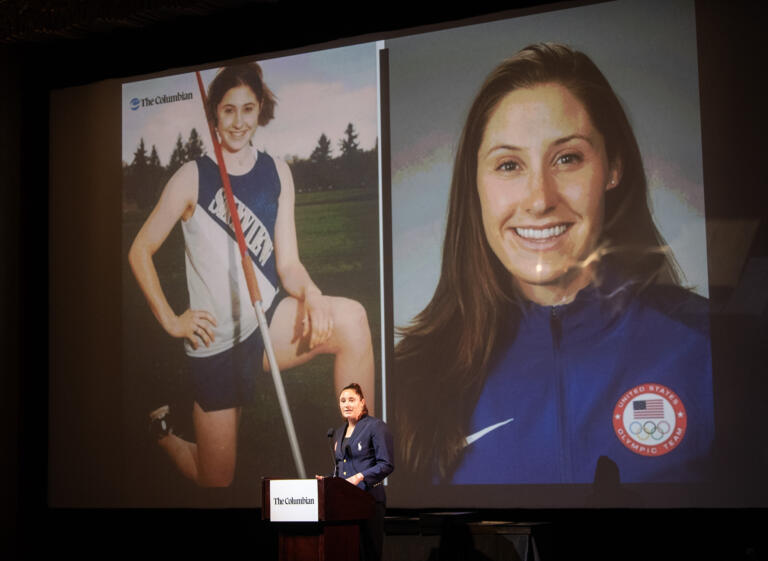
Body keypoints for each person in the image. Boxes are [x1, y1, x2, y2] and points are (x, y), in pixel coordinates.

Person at [393, 43, 712, 485]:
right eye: (508, 165)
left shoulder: (708, 344)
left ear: (613, 166)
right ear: (476, 184)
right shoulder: (410, 378)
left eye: (567, 158)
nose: (540, 199)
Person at [129, 62, 375, 487]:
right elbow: (140, 250)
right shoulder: (193, 177)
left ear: (260, 110)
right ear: (214, 117)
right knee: (216, 477)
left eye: (247, 109)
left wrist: (312, 295)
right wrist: (173, 320)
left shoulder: (277, 172)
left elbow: (288, 265)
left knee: (351, 320)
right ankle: (164, 436)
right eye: (228, 111)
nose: (239, 121)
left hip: (265, 326)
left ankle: (358, 466)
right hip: (216, 345)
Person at [332, 383, 393, 561]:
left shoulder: (375, 426)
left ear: (362, 402)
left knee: (369, 553)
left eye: (351, 400)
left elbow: (386, 463)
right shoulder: (338, 433)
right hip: (344, 504)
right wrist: (329, 480)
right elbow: (341, 467)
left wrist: (360, 477)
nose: (346, 404)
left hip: (369, 501)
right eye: (343, 401)